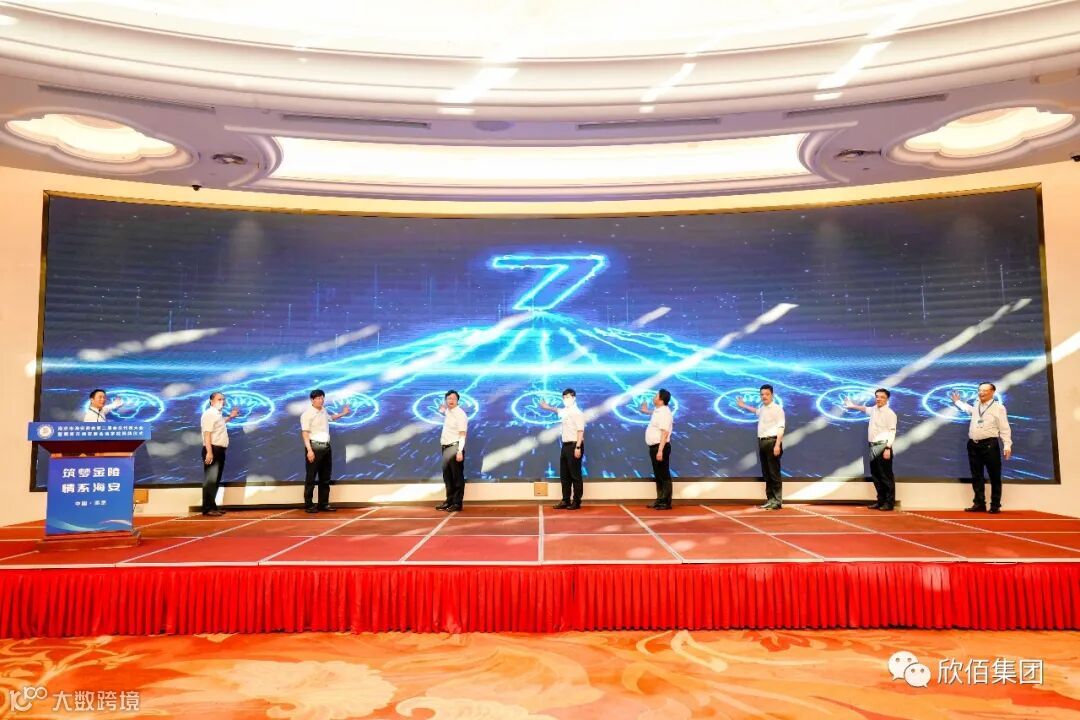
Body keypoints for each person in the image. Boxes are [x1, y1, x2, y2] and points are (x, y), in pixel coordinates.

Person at [952, 383, 1012, 513]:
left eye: (985, 390)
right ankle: (979, 503)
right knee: (976, 475)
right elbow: (969, 410)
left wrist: (1007, 445)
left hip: (989, 445)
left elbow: (1004, 427)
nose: (981, 393)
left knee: (994, 475)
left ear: (992, 392)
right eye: (979, 390)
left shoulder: (999, 408)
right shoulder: (976, 404)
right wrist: (957, 402)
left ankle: (995, 505)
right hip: (973, 445)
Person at [844, 388, 897, 511]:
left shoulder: (890, 414)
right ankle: (880, 501)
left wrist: (888, 448)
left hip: (883, 446)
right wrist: (852, 406)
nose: (878, 399)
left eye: (882, 397)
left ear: (887, 399)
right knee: (876, 475)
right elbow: (865, 409)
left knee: (885, 476)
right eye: (877, 396)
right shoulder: (874, 409)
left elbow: (892, 432)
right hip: (873, 446)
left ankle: (889, 503)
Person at [299, 389, 351, 513]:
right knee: (311, 477)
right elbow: (305, 433)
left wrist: (343, 413)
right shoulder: (307, 414)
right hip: (314, 447)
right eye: (318, 398)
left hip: (326, 447)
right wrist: (309, 450)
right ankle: (309, 504)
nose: (321, 400)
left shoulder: (323, 410)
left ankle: (323, 503)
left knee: (325, 477)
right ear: (312, 400)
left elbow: (331, 418)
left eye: (322, 398)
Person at [738, 385, 785, 510]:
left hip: (772, 442)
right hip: (762, 442)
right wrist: (744, 406)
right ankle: (770, 500)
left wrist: (777, 445)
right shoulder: (763, 409)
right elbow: (756, 411)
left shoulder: (777, 409)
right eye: (762, 394)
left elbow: (781, 427)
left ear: (772, 395)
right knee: (767, 473)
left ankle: (777, 502)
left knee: (774, 473)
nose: (764, 396)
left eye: (767, 394)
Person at [540, 388, 586, 509]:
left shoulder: (577, 413)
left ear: (574, 398)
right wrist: (546, 407)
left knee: (575, 476)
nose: (566, 399)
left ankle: (576, 501)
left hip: (575, 445)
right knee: (565, 476)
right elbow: (557, 410)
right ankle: (565, 500)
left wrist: (578, 447)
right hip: (565, 446)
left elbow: (580, 431)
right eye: (564, 397)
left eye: (568, 397)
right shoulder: (565, 411)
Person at [199, 392, 240, 516]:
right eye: (219, 399)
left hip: (219, 450)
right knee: (211, 480)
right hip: (212, 449)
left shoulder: (217, 414)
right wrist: (209, 452)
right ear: (211, 401)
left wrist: (231, 417)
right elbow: (207, 434)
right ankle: (207, 508)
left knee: (215, 480)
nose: (222, 401)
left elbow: (220, 424)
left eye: (223, 399)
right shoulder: (209, 414)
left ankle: (212, 506)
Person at [638, 389, 674, 510]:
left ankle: (666, 502)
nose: (653, 397)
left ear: (661, 400)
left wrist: (660, 450)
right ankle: (659, 499)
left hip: (660, 447)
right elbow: (653, 413)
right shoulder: (659, 411)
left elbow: (665, 432)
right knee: (658, 475)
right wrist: (645, 410)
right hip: (655, 447)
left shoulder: (664, 413)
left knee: (664, 475)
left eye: (656, 395)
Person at [436, 390, 468, 512]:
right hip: (445, 448)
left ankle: (457, 503)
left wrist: (460, 451)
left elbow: (462, 434)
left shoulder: (460, 414)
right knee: (447, 477)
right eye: (449, 398)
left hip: (455, 448)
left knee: (457, 477)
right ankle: (449, 501)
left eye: (454, 398)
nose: (451, 400)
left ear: (458, 401)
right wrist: (442, 408)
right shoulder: (448, 411)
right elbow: (442, 410)